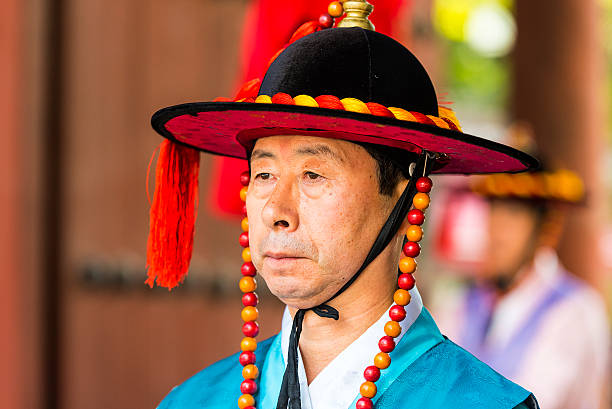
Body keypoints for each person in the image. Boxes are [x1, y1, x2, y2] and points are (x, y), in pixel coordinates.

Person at [144, 2, 540, 408]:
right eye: (264, 175)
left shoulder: (481, 403)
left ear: (406, 195)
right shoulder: (195, 400)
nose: (275, 211)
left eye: (313, 175)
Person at [432, 145, 610, 409]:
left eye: (513, 214)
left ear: (547, 229)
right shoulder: (460, 303)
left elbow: (533, 400)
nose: (496, 230)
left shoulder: (575, 312)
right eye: (493, 210)